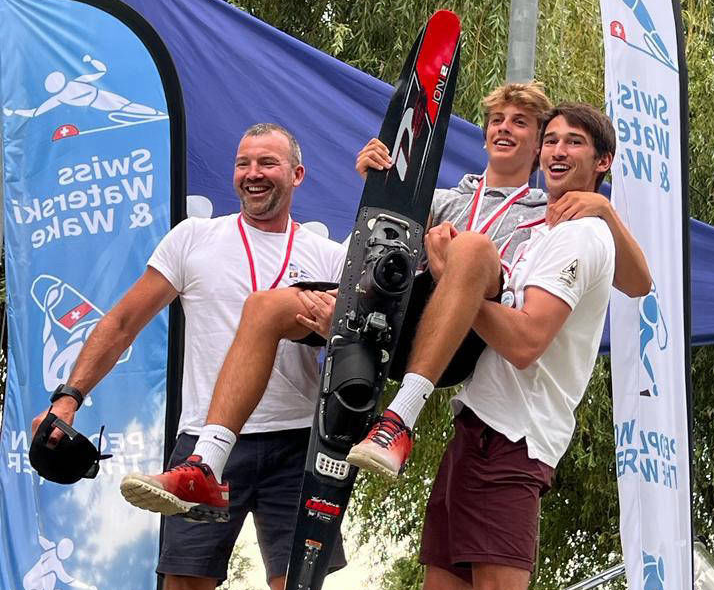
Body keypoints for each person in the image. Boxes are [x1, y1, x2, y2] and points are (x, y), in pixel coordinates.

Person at [142, 83, 647, 513]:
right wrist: (382, 186)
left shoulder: (555, 208)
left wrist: (605, 209)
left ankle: (399, 420)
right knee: (266, 305)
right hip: (395, 317)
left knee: (471, 247)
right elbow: (376, 253)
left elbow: (638, 282)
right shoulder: (444, 197)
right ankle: (206, 463)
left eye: (520, 122)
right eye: (496, 120)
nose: (504, 129)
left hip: (460, 339)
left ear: (538, 145)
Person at [30, 123, 345, 590]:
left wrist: (333, 331)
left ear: (298, 175)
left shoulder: (327, 253)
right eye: (243, 162)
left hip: (297, 447)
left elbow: (363, 356)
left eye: (268, 162)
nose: (253, 173)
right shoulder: (194, 239)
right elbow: (122, 322)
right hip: (204, 447)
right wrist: (69, 398)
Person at [351, 101, 625, 590]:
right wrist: (384, 180)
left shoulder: (582, 235)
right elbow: (642, 280)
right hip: (477, 425)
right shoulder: (547, 229)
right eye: (551, 139)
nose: (556, 150)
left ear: (600, 163)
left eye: (572, 142)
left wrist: (458, 281)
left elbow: (527, 342)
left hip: (515, 438)